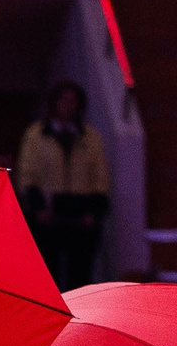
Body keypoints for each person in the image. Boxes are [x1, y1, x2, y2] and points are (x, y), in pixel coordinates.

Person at [13, 81, 110, 291]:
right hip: (48, 212)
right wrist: (38, 207)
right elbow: (27, 174)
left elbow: (99, 177)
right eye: (63, 100)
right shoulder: (36, 135)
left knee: (81, 276)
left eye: (73, 101)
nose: (68, 106)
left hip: (80, 212)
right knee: (48, 274)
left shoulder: (90, 137)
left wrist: (94, 211)